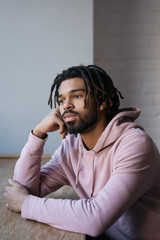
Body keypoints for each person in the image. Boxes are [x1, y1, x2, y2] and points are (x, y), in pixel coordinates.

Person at [4, 65, 160, 240]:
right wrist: (38, 133)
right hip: (102, 235)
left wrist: (27, 204)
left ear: (103, 101)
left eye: (77, 96)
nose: (66, 106)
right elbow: (22, 189)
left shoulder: (134, 145)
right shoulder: (71, 146)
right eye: (61, 100)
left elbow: (96, 218)